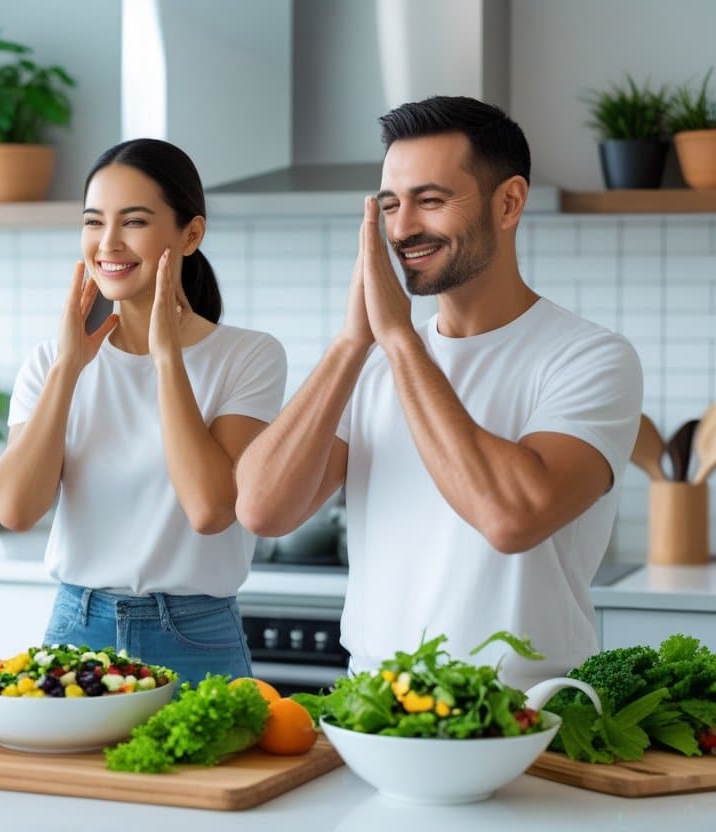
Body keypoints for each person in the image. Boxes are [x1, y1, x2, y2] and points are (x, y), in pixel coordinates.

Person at [235, 96, 643, 690]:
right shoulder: (370, 363)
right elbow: (262, 509)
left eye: (430, 200)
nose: (401, 229)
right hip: (375, 708)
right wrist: (353, 343)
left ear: (509, 202)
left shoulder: (590, 358)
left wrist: (399, 339)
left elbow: (511, 518)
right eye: (391, 205)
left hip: (528, 715)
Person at [0, 139, 287, 685]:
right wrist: (68, 370)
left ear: (191, 234)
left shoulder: (249, 355)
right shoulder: (53, 360)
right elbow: (15, 509)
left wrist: (166, 356)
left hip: (196, 636)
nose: (108, 243)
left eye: (134, 222)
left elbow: (210, 508)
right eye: (94, 222)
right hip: (76, 630)